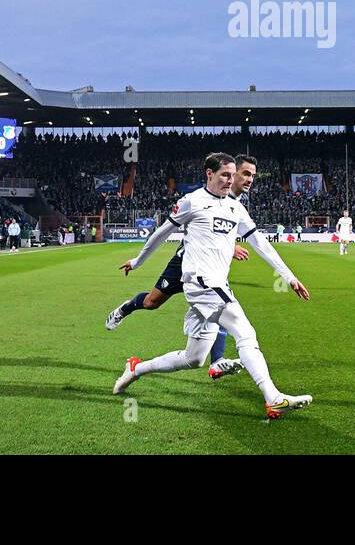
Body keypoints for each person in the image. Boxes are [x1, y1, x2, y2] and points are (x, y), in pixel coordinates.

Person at [111, 153, 312, 418]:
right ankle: (273, 398)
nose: (230, 181)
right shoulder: (192, 202)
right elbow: (162, 233)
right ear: (209, 174)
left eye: (232, 175)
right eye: (225, 175)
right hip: (202, 283)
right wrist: (138, 260)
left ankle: (135, 369)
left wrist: (289, 277)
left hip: (213, 284)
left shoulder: (235, 208)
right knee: (246, 333)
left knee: (193, 358)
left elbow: (260, 244)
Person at [105, 155, 256, 380]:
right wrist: (138, 261)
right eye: (243, 174)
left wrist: (228, 245)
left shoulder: (234, 203)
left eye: (250, 175)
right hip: (184, 262)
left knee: (221, 305)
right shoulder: (202, 197)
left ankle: (217, 360)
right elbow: (178, 229)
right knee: (151, 302)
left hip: (208, 271)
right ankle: (126, 307)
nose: (247, 179)